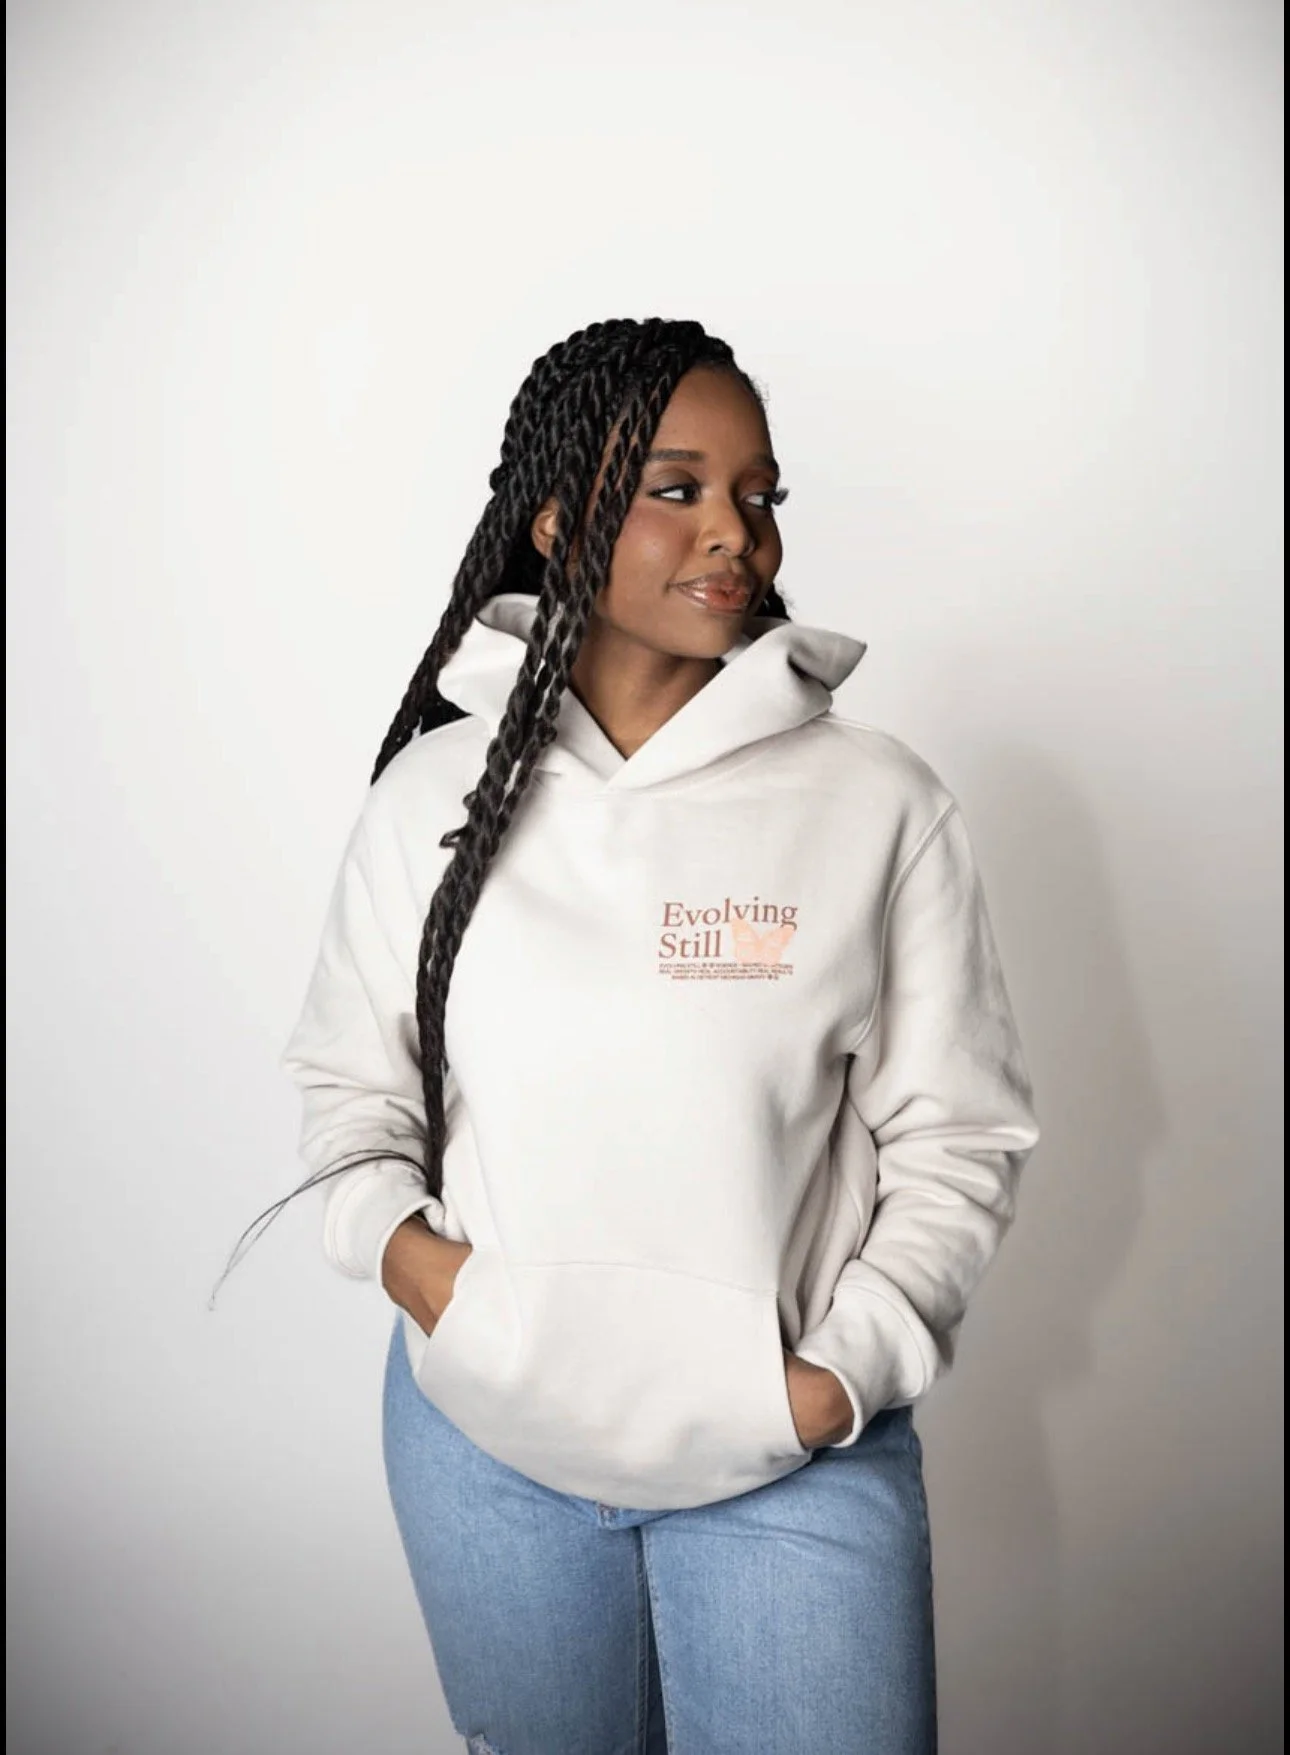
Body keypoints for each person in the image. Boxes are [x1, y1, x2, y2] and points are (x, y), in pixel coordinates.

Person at [275, 316, 1041, 1755]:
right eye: (676, 489)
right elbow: (348, 1093)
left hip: (789, 1464)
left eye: (756, 494)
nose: (732, 531)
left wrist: (836, 1374)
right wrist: (434, 1280)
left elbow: (959, 1134)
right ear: (557, 521)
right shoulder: (433, 796)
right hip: (486, 1452)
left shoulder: (876, 804)